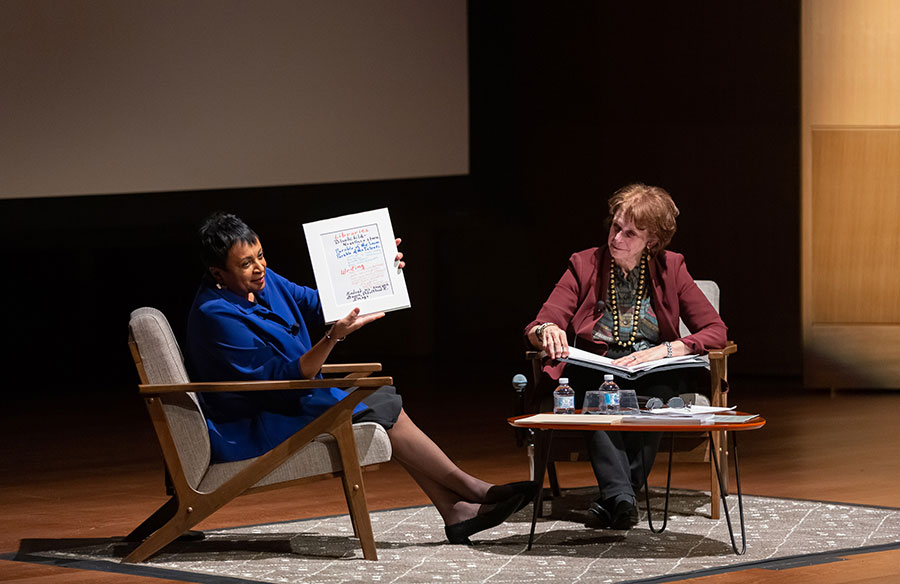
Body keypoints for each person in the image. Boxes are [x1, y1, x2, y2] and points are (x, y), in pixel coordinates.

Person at [187, 211, 532, 545]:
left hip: (292, 397)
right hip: (257, 420)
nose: (259, 267)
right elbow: (283, 376)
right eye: (245, 263)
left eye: (260, 256)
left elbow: (323, 303)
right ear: (218, 272)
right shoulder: (215, 313)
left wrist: (379, 272)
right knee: (379, 402)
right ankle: (469, 491)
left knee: (379, 399)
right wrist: (333, 337)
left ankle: (458, 509)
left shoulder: (266, 281)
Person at [524, 183, 727, 530]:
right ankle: (623, 497)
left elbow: (715, 331)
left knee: (660, 399)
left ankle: (617, 499)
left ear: (652, 240)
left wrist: (664, 350)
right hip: (597, 366)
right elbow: (540, 322)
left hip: (652, 367)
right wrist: (547, 331)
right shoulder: (584, 264)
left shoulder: (672, 268)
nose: (617, 237)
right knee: (595, 396)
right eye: (615, 226)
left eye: (630, 233)